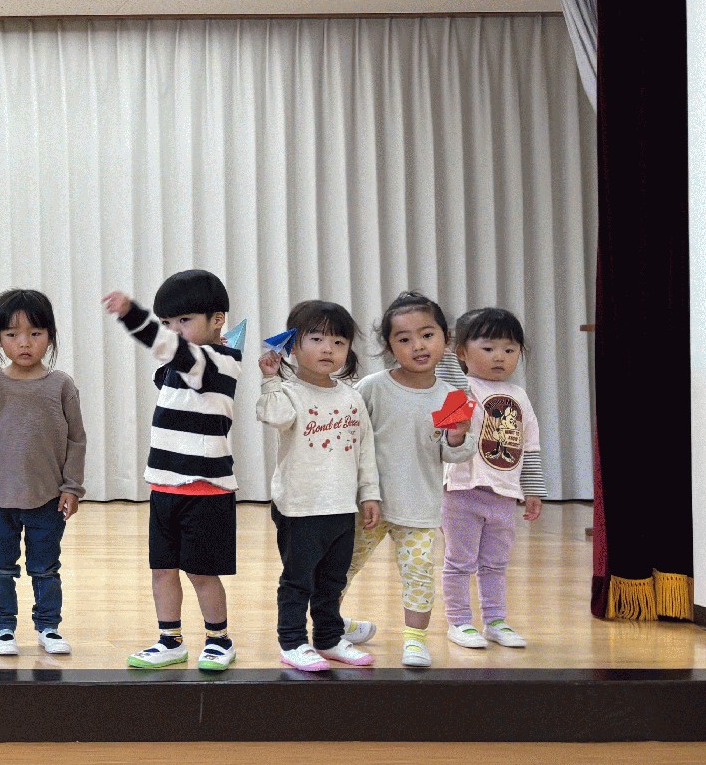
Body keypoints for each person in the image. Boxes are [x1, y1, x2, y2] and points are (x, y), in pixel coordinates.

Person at [105, 270, 241, 673]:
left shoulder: (218, 361)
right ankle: (170, 640)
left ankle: (219, 639)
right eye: (167, 323)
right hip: (165, 485)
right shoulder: (186, 363)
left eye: (184, 321)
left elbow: (170, 350)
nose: (174, 331)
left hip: (206, 490)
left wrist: (133, 315)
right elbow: (170, 364)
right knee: (163, 570)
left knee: (202, 573)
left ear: (217, 320)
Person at [345, 292, 478, 669]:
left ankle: (415, 640)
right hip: (367, 504)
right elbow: (350, 439)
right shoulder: (372, 387)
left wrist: (457, 437)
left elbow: (454, 454)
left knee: (419, 574)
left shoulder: (453, 396)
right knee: (339, 568)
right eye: (404, 339)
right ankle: (329, 626)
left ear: (445, 339)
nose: (418, 345)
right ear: (390, 347)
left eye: (427, 335)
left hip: (420, 505)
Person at [0, 288, 87, 656]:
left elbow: (77, 439)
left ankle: (48, 627)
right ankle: (3, 629)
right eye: (12, 334)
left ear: (50, 336)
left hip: (47, 497)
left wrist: (72, 487)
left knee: (45, 568)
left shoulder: (61, 385)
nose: (24, 343)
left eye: (35, 333)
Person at [256, 300, 381, 672]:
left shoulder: (351, 396)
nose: (328, 349)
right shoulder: (287, 392)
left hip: (342, 507)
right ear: (293, 345)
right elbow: (274, 416)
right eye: (317, 339)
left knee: (332, 580)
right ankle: (292, 642)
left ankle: (328, 638)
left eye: (338, 342)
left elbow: (365, 450)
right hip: (299, 507)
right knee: (298, 581)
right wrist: (270, 378)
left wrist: (369, 494)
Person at [442, 306, 547, 651]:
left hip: (503, 494)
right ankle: (459, 622)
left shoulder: (520, 395)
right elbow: (444, 430)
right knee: (459, 562)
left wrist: (532, 490)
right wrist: (446, 350)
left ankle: (495, 620)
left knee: (496, 563)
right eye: (488, 348)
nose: (499, 356)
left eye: (509, 349)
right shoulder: (458, 388)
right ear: (461, 352)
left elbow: (530, 446)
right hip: (461, 490)